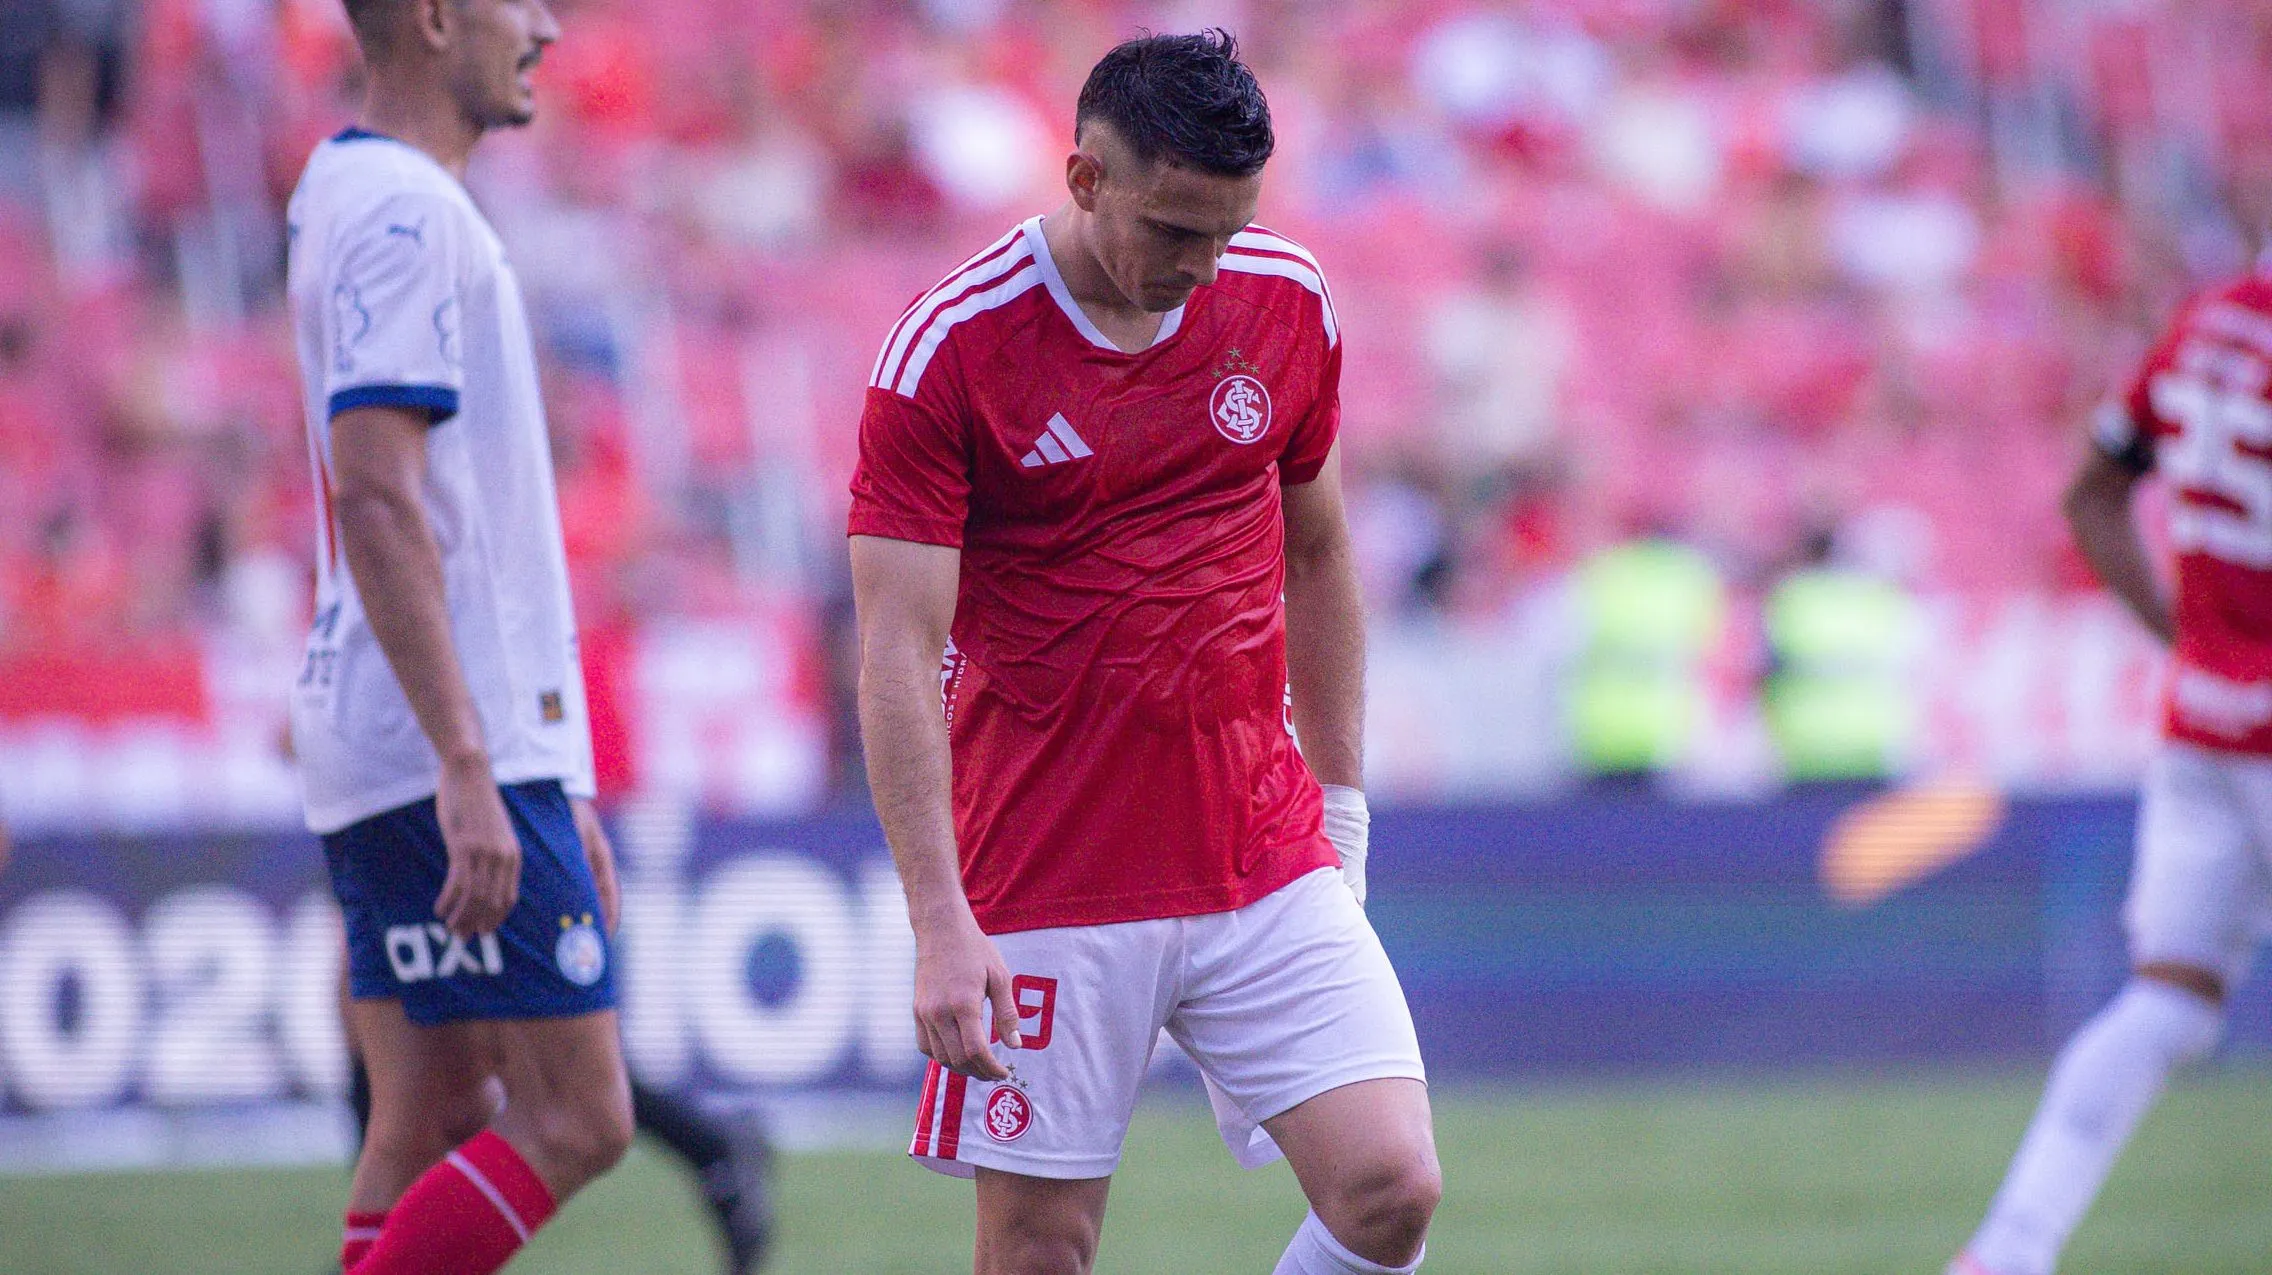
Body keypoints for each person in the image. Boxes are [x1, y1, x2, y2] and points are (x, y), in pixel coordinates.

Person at [847, 30, 1440, 1275]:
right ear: (1082, 181)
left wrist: (1339, 809)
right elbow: (897, 650)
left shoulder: (1282, 299)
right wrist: (939, 920)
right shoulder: (950, 350)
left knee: (1390, 1191)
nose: (1202, 264)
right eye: (1175, 230)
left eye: (1227, 229)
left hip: (1256, 841)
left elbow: (1320, 554)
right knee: (1039, 1255)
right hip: (1048, 863)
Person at [284, 1, 632, 1270]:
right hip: (437, 729)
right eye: (518, 2)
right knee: (579, 1117)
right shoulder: (406, 211)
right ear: (433, 18)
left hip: (404, 722)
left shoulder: (349, 186)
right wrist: (474, 763)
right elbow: (376, 492)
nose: (541, 27)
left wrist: (547, 766)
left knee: (427, 1110)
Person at [1949, 261, 2272, 1274]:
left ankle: (2009, 1248)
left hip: (2202, 725)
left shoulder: (2206, 322)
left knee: (2167, 1001)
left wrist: (2189, 641)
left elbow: (2090, 498)